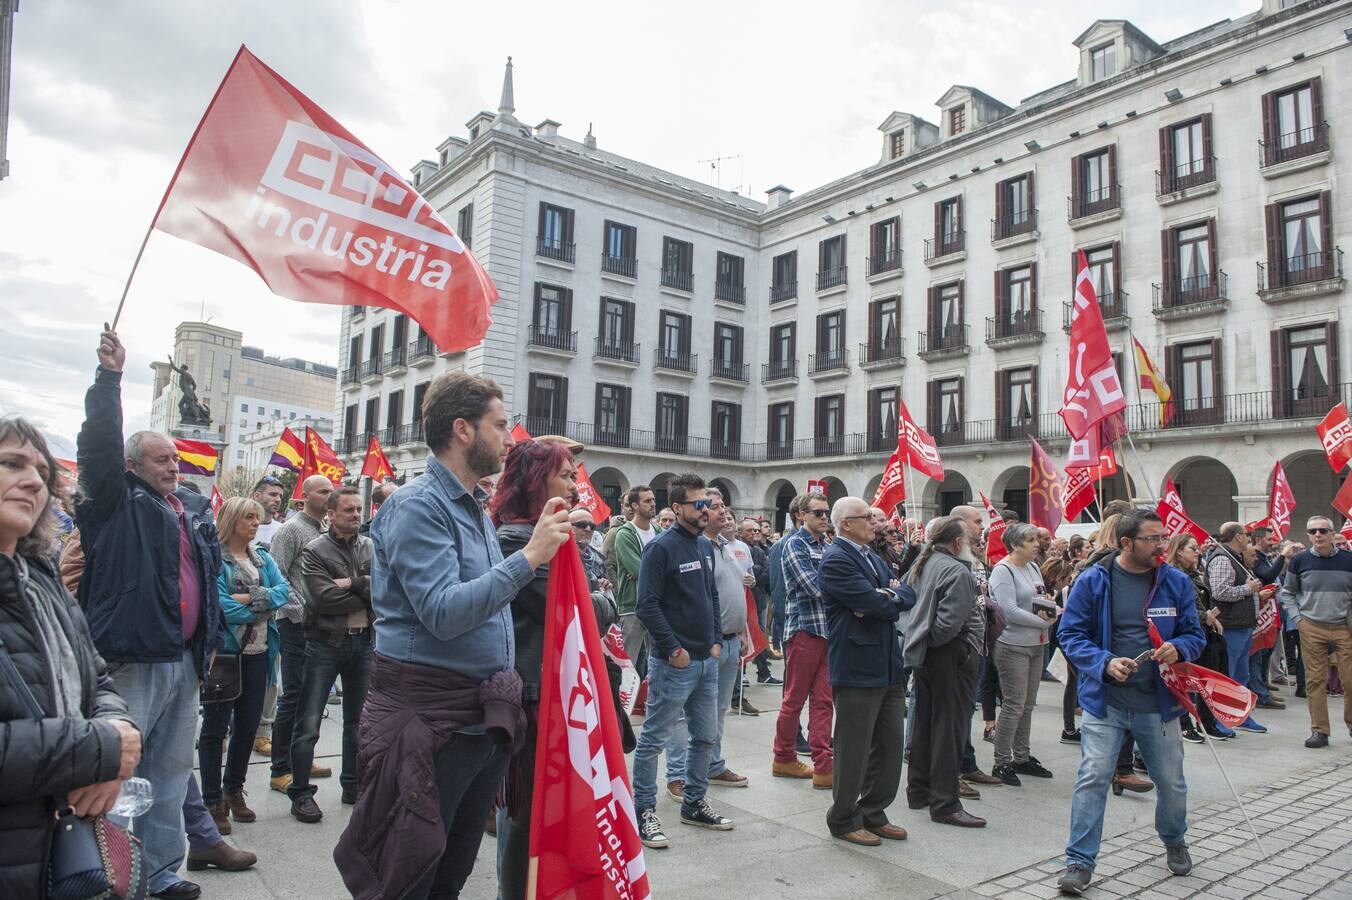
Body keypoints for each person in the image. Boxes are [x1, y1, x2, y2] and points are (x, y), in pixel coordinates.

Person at [334, 372, 571, 900]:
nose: (510, 439)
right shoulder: (419, 505)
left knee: (450, 871)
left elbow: (484, 603)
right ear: (463, 430)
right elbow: (442, 612)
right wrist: (530, 557)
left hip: (476, 718)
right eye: (500, 425)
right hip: (428, 722)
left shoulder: (471, 506)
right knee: (409, 872)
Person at [76, 326, 224, 900]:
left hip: (184, 663)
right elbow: (96, 448)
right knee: (120, 779)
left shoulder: (187, 507)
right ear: (133, 465)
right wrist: (109, 378)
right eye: (162, 458)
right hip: (134, 662)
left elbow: (204, 581)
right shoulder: (114, 502)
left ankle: (161, 875)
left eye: (177, 457)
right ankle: (113, 878)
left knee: (167, 778)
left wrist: (205, 644)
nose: (174, 465)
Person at [0, 417, 145, 897]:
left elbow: (96, 678)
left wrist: (116, 744)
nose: (32, 481)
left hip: (53, 848)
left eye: (41, 471)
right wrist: (97, 750)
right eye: (11, 463)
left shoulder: (38, 576)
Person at [1055, 510, 1206, 895]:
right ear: (1126, 543)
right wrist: (1103, 663)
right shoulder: (1094, 580)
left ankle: (1174, 839)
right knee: (1092, 778)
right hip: (1105, 703)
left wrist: (1179, 647)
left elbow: (1194, 634)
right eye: (1152, 539)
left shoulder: (1175, 582)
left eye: (1163, 537)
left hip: (1158, 704)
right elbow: (1070, 635)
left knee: (1170, 782)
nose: (1162, 545)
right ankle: (1079, 862)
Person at [490, 439, 579, 900]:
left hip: (555, 686)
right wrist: (597, 600)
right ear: (534, 480)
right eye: (565, 473)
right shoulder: (513, 539)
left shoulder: (550, 533)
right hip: (531, 691)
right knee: (522, 812)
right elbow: (562, 606)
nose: (574, 482)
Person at [632, 473, 732, 850]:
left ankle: (693, 803)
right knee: (654, 739)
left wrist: (715, 641)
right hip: (673, 665)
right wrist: (673, 648)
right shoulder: (661, 548)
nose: (707, 509)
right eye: (699, 504)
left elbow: (712, 596)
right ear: (677, 507)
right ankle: (644, 811)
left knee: (705, 736)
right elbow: (646, 605)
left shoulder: (705, 547)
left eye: (708, 502)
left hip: (706, 662)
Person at [822, 497, 915, 846]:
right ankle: (843, 817)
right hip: (857, 666)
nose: (875, 523)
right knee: (855, 746)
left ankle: (874, 810)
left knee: (890, 743)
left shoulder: (871, 556)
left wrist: (886, 597)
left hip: (888, 663)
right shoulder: (836, 559)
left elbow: (906, 593)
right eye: (866, 518)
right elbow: (873, 602)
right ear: (846, 523)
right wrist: (884, 599)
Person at [200, 496, 289, 832]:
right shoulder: (214, 558)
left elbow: (285, 592)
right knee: (214, 729)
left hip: (260, 654)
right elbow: (220, 605)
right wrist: (262, 602)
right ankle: (211, 799)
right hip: (224, 654)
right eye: (249, 517)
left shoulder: (263, 558)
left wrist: (252, 600)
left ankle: (233, 790)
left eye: (258, 517)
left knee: (248, 726)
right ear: (232, 519)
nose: (256, 523)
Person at [288, 486, 374, 823]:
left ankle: (352, 785)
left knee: (358, 722)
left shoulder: (370, 545)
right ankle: (301, 793)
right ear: (331, 514)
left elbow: (386, 588)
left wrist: (350, 584)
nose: (355, 515)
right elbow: (322, 599)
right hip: (325, 643)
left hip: (364, 641)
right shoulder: (315, 550)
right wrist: (365, 587)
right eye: (348, 510)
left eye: (358, 509)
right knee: (308, 722)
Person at [903, 516, 985, 827]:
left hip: (928, 652)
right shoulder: (956, 570)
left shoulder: (927, 563)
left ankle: (920, 790)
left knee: (926, 722)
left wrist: (927, 643)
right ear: (957, 542)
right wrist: (948, 646)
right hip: (949, 654)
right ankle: (945, 803)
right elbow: (949, 622)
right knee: (950, 729)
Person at [263, 474, 334, 791]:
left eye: (332, 490)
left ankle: (301, 757)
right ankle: (280, 769)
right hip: (294, 624)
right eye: (323, 491)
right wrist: (301, 610)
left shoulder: (325, 531)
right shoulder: (291, 530)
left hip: (320, 627)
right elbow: (277, 575)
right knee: (292, 695)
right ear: (304, 497)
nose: (329, 495)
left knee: (312, 696)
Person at [773, 492, 834, 788]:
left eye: (826, 512)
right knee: (794, 698)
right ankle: (783, 756)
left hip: (827, 631)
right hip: (804, 630)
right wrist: (848, 589)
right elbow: (814, 586)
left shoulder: (828, 544)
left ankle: (824, 765)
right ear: (801, 515)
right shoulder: (794, 544)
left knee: (824, 700)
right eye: (818, 513)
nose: (824, 518)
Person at [988, 523, 1055, 785]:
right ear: (1015, 545)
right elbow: (1009, 611)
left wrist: (1050, 610)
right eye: (1030, 540)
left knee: (1027, 704)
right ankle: (1001, 761)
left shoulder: (1034, 566)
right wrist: (1045, 622)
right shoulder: (1003, 570)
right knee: (1014, 704)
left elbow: (1038, 597)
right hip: (1013, 644)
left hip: (1037, 643)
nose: (1037, 544)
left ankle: (1022, 756)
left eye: (1036, 539)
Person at [1283, 516, 1352, 749]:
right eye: (1313, 531)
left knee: (1350, 680)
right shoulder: (1299, 561)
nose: (1318, 535)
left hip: (1344, 627)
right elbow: (1287, 593)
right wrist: (1298, 620)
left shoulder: (1348, 560)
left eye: (1323, 530)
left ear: (1333, 533)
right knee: (1315, 681)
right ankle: (1320, 731)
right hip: (1311, 626)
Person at [1206, 522, 1275, 733]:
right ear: (1237, 537)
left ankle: (1241, 715)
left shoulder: (1234, 558)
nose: (1248, 538)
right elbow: (1219, 592)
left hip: (1242, 625)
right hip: (1229, 626)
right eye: (1246, 535)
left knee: (1241, 676)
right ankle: (1219, 719)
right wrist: (1249, 588)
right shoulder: (1223, 558)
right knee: (1227, 676)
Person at [705, 495, 754, 778]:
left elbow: (738, 592)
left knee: (721, 707)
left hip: (732, 640)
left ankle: (714, 762)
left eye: (724, 506)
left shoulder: (729, 548)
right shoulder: (700, 548)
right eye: (715, 507)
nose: (723, 512)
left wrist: (742, 631)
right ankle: (684, 772)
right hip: (710, 644)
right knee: (699, 710)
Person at [1165, 534, 1229, 740]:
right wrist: (1205, 616)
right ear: (1179, 551)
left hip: (1202, 635)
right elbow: (1178, 606)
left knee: (1206, 680)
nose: (1198, 551)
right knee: (1183, 681)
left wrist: (1210, 616)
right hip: (1183, 635)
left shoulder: (1194, 574)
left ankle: (1207, 722)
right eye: (1193, 548)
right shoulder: (1173, 576)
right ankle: (1185, 725)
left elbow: (1201, 603)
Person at [611, 485, 660, 677]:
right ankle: (621, 706)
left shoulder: (658, 530)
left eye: (653, 500)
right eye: (647, 501)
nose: (653, 504)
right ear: (634, 505)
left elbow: (668, 567)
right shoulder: (625, 533)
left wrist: (652, 572)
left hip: (658, 605)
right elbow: (639, 570)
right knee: (627, 665)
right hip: (633, 607)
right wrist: (653, 572)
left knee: (658, 662)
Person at [250, 476, 286, 549]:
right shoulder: (239, 527)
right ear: (257, 496)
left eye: (280, 496)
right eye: (273, 494)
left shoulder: (283, 530)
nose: (278, 500)